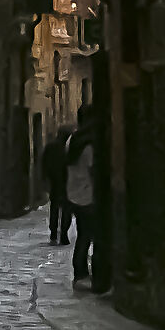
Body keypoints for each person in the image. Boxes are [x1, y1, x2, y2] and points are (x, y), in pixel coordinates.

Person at [67, 124, 103, 292]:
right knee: (89, 235)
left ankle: (79, 272)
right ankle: (85, 273)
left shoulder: (72, 142)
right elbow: (93, 171)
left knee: (83, 235)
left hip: (73, 193)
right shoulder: (88, 147)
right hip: (87, 194)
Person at [41, 124, 72, 248]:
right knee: (66, 209)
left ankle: (54, 232)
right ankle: (63, 233)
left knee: (54, 208)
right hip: (67, 181)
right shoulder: (68, 148)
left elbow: (44, 163)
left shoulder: (50, 147)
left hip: (55, 182)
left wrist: (45, 179)